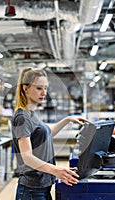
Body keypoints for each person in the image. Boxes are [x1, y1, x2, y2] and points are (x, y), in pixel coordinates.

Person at [11, 67, 87, 200]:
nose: (44, 93)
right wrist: (56, 170)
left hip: (42, 186)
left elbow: (46, 134)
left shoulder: (31, 114)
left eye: (45, 88)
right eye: (39, 88)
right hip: (31, 190)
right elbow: (27, 157)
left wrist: (67, 120)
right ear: (25, 88)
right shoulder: (22, 117)